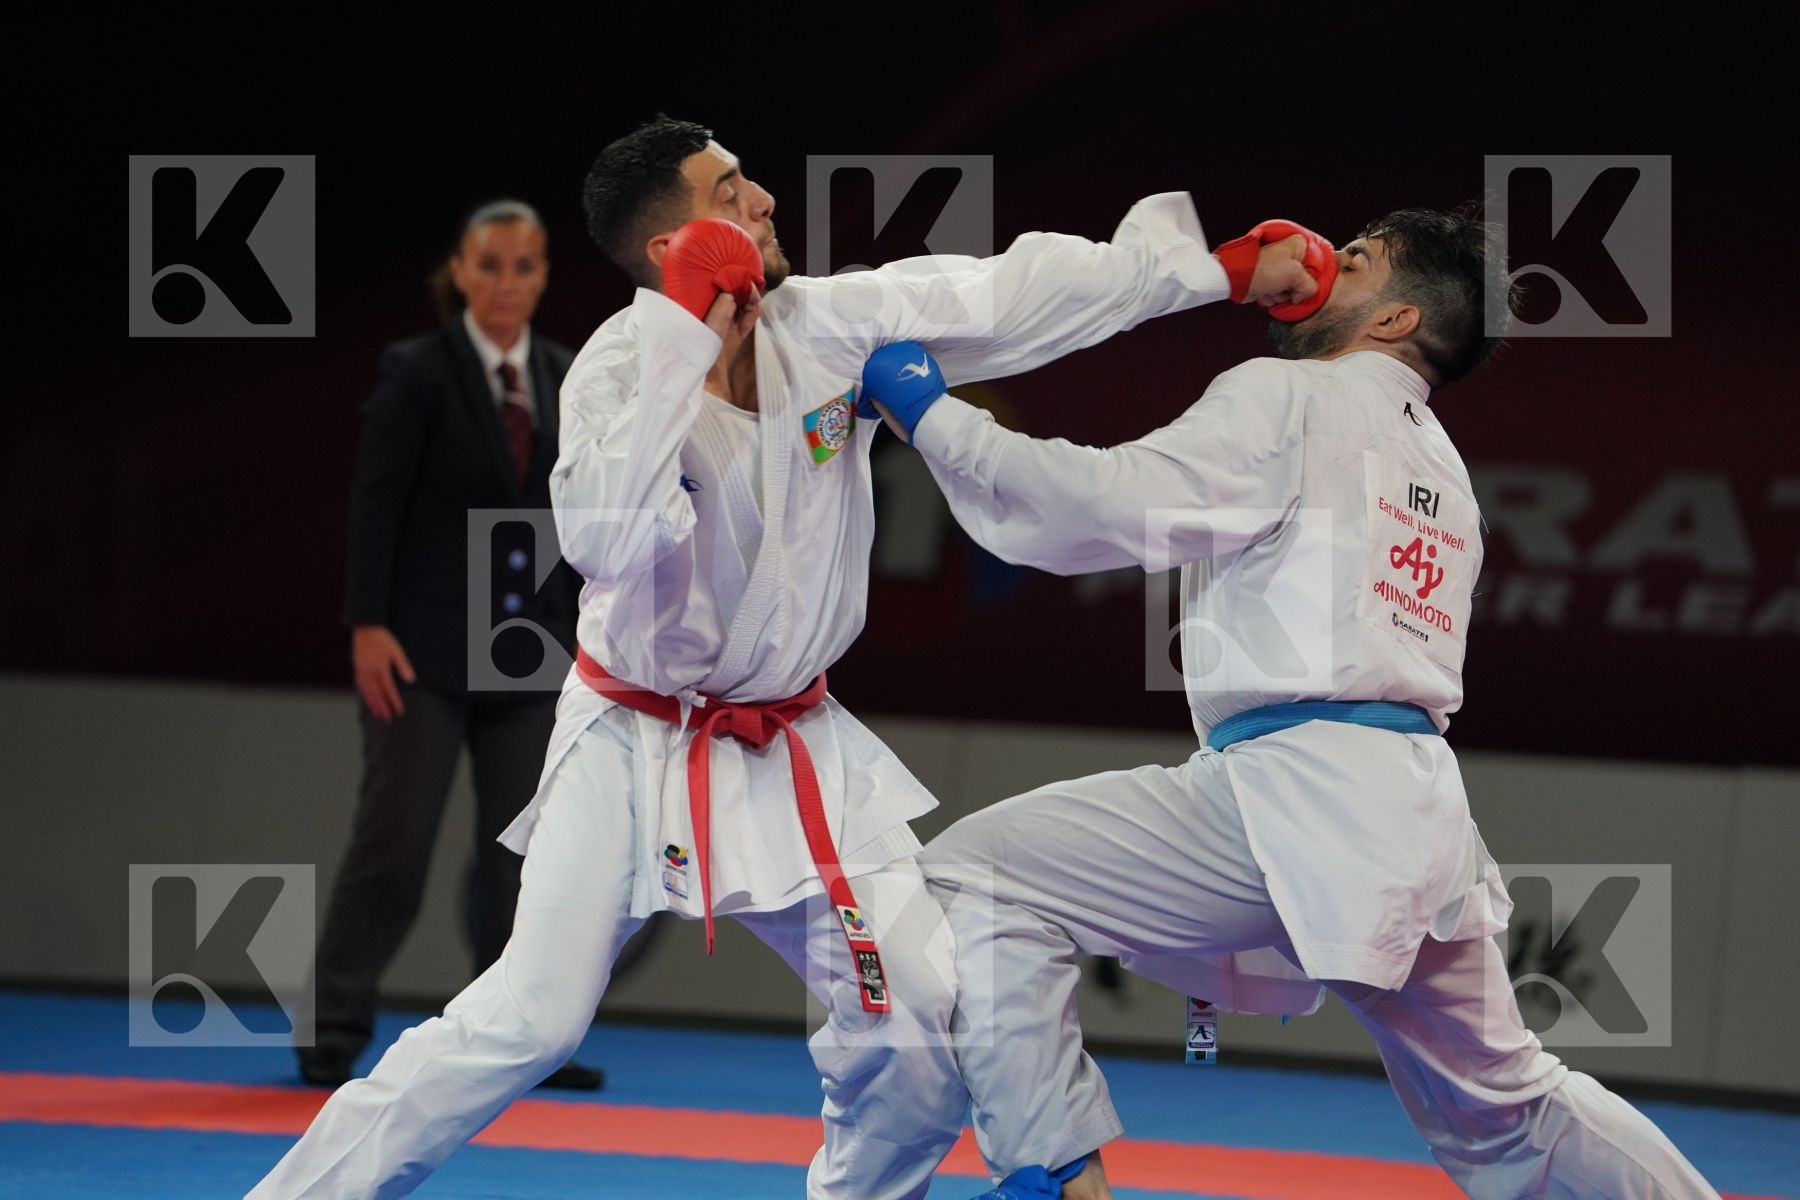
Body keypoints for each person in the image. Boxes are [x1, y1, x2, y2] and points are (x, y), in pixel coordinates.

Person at [246, 115, 1314, 1200]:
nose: (763, 201)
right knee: (528, 1020)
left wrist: (1212, 273)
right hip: (630, 741)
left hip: (795, 748)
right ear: (675, 246)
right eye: (732, 190)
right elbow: (607, 541)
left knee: (919, 1015)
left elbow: (1011, 292)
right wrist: (678, 336)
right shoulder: (617, 370)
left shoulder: (829, 322)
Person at [859, 208, 1720, 1199]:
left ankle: (1055, 1173)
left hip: (1294, 791)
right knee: (1507, 1104)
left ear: (1397, 318)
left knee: (973, 881)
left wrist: (933, 413)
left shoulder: (1292, 395)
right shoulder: (1441, 465)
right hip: (1411, 811)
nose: (1315, 264)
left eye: (1351, 259)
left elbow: (1099, 506)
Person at [306, 199, 601, 1092]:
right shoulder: (417, 371)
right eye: (491, 265)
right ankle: (332, 1024)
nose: (507, 281)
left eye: (524, 266)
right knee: (394, 842)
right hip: (420, 650)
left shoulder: (566, 375)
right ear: (461, 273)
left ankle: (520, 1037)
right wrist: (366, 625)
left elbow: (582, 515)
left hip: (530, 649)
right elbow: (374, 500)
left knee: (523, 857)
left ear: (544, 276)